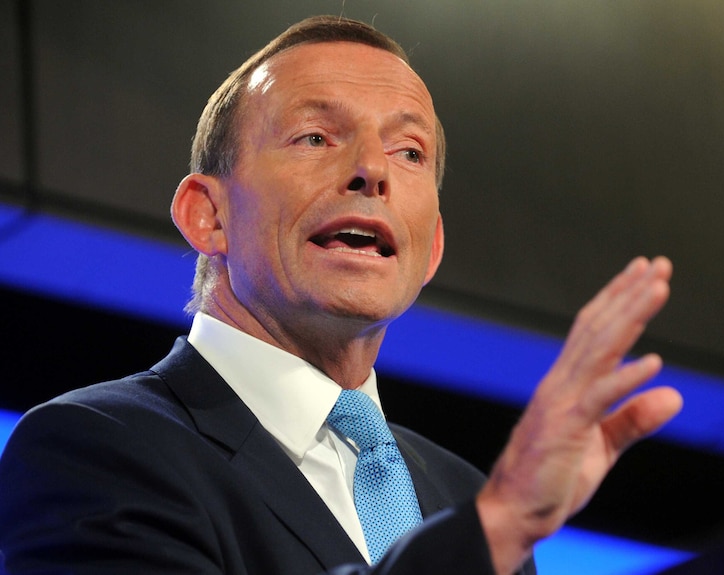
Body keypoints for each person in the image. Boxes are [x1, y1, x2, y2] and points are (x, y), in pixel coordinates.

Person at [0, 15, 682, 575]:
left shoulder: (463, 493)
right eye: (315, 136)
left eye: (408, 152)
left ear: (430, 248)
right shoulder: (94, 448)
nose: (370, 171)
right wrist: (494, 527)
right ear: (208, 215)